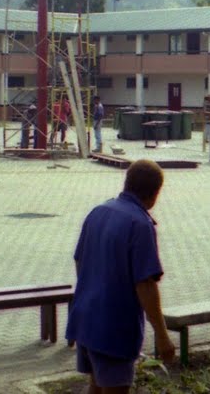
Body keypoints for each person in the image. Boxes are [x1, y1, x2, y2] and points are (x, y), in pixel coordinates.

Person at [65, 159, 176, 393]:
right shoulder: (140, 225)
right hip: (113, 330)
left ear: (127, 183)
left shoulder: (99, 211)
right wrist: (162, 335)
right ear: (155, 194)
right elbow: (145, 285)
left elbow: (79, 260)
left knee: (96, 386)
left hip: (85, 321)